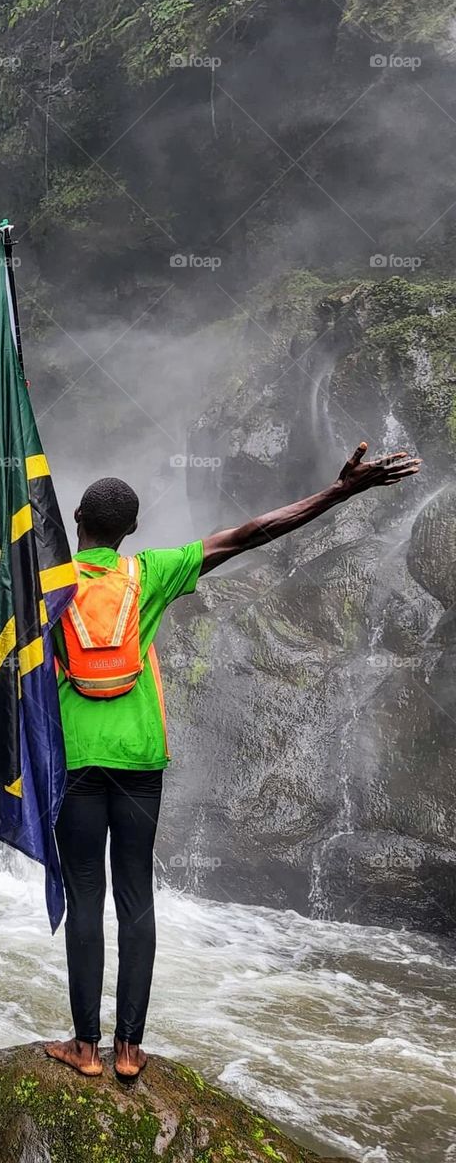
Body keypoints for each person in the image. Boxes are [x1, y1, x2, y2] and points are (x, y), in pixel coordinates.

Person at [44, 441, 422, 1081]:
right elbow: (252, 533)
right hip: (140, 764)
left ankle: (85, 1047)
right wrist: (342, 491)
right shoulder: (151, 573)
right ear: (132, 531)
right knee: (136, 897)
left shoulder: (46, 586)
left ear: (78, 521)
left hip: (76, 762)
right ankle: (130, 1049)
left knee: (86, 900)